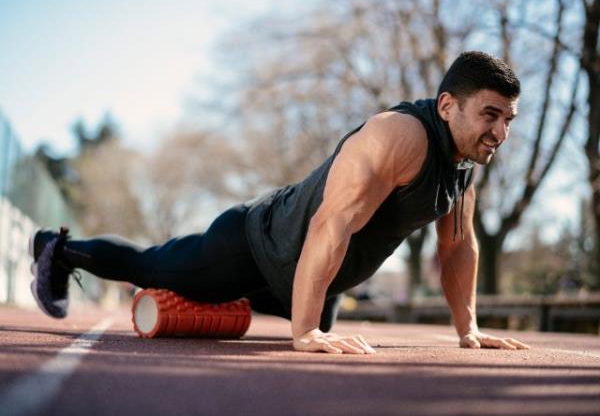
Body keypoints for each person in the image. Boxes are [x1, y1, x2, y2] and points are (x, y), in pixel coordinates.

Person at [29, 50, 530, 355]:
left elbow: (458, 248)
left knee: (325, 322)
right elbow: (331, 223)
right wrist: (304, 331)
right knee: (152, 266)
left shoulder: (464, 164)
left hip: (308, 274)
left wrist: (469, 329)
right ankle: (56, 247)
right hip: (255, 243)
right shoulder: (399, 137)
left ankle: (237, 301)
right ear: (447, 105)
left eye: (508, 119)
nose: (500, 132)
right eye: (491, 115)